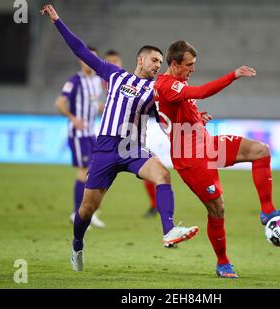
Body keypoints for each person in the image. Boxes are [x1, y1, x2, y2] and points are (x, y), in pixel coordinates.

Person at [40, 5, 198, 272]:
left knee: (162, 174)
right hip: (106, 148)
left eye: (161, 63)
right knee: (87, 210)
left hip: (133, 147)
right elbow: (80, 50)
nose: (158, 66)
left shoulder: (157, 90)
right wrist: (57, 21)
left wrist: (189, 125)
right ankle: (77, 245)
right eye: (155, 61)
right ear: (141, 59)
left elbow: (165, 117)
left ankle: (169, 230)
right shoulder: (114, 75)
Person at [154, 40, 280, 278]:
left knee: (260, 151)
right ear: (174, 64)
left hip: (206, 144)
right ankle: (223, 263)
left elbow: (175, 114)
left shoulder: (178, 82)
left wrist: (198, 119)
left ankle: (267, 211)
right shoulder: (168, 85)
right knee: (217, 209)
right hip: (190, 158)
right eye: (189, 65)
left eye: (194, 64)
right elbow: (201, 92)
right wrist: (233, 75)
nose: (193, 69)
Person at [103, 50, 158, 218]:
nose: (113, 64)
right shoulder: (107, 80)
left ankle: (156, 205)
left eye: (115, 61)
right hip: (109, 133)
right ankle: (89, 209)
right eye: (109, 61)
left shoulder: (125, 81)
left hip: (137, 133)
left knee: (153, 169)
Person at [55, 46, 106, 229]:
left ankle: (88, 213)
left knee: (95, 172)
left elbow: (93, 103)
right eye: (87, 58)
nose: (89, 62)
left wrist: (100, 108)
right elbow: (59, 103)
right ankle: (76, 212)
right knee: (84, 170)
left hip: (91, 133)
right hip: (78, 134)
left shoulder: (96, 81)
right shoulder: (75, 81)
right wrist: (73, 118)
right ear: (80, 60)